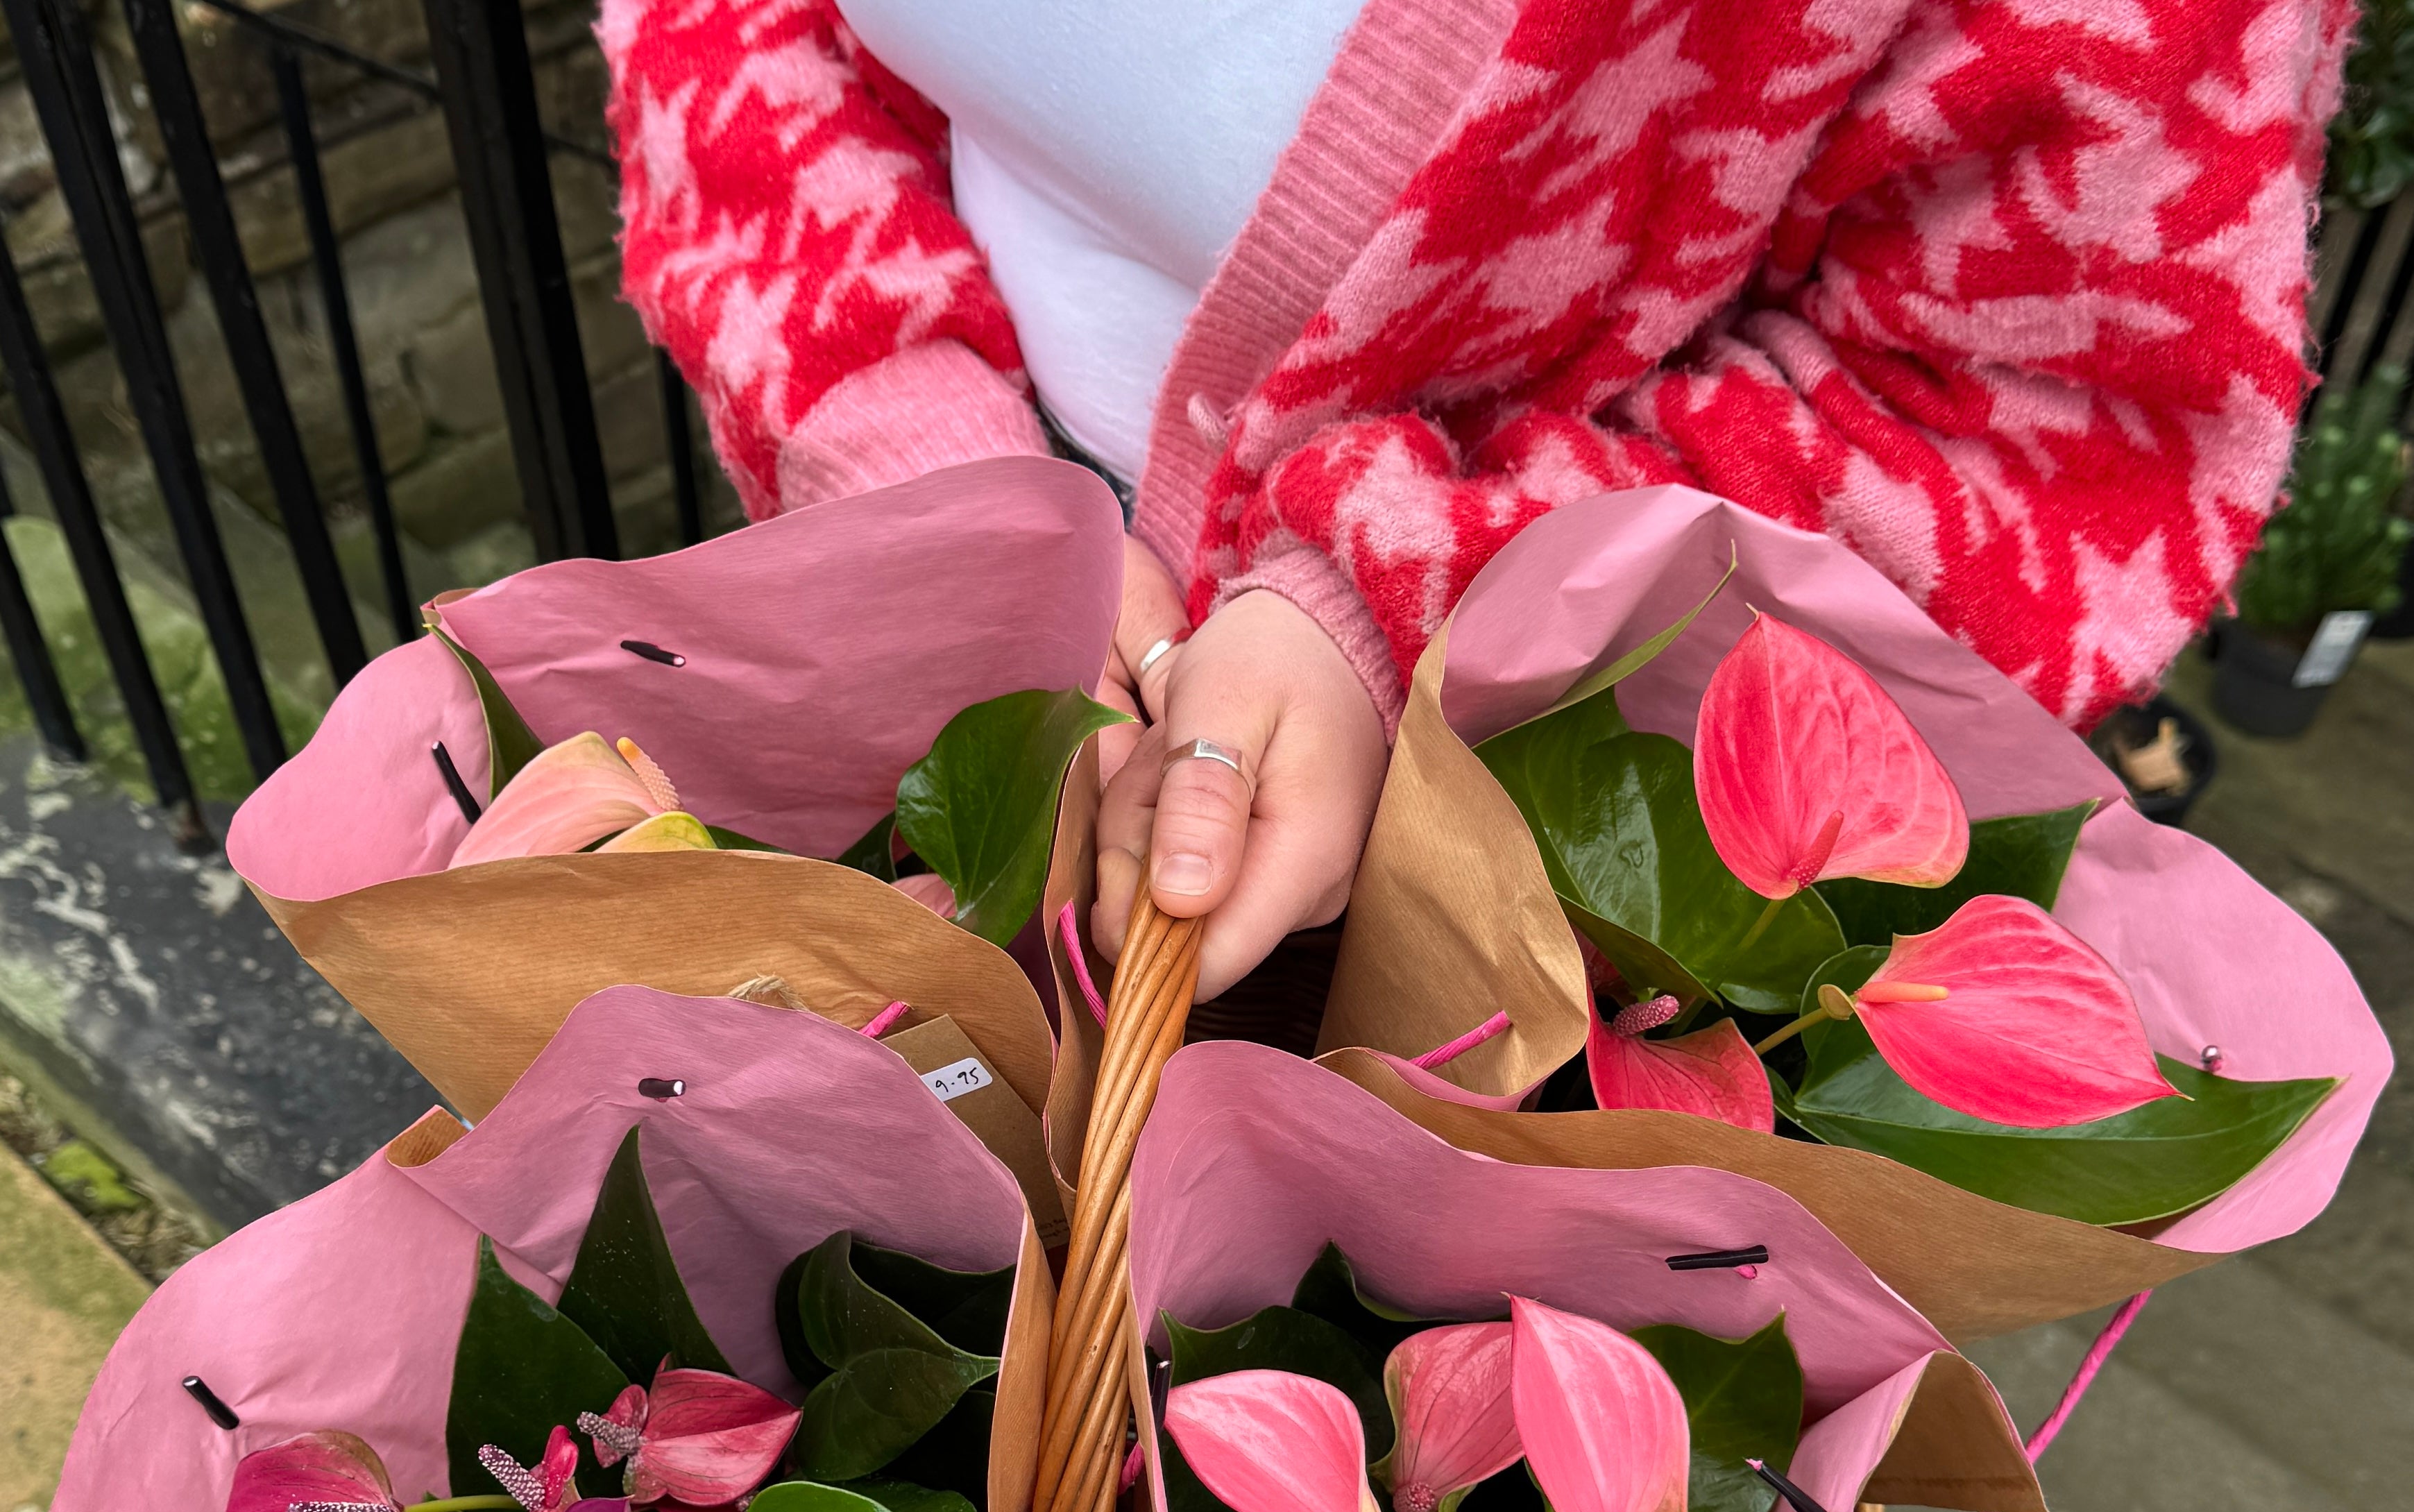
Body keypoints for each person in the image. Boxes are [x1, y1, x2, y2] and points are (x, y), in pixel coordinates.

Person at [601, 0, 2354, 999]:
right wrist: (908, 449)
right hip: (909, 634)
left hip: (1565, 809)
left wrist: (1403, 610)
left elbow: (2052, 429)